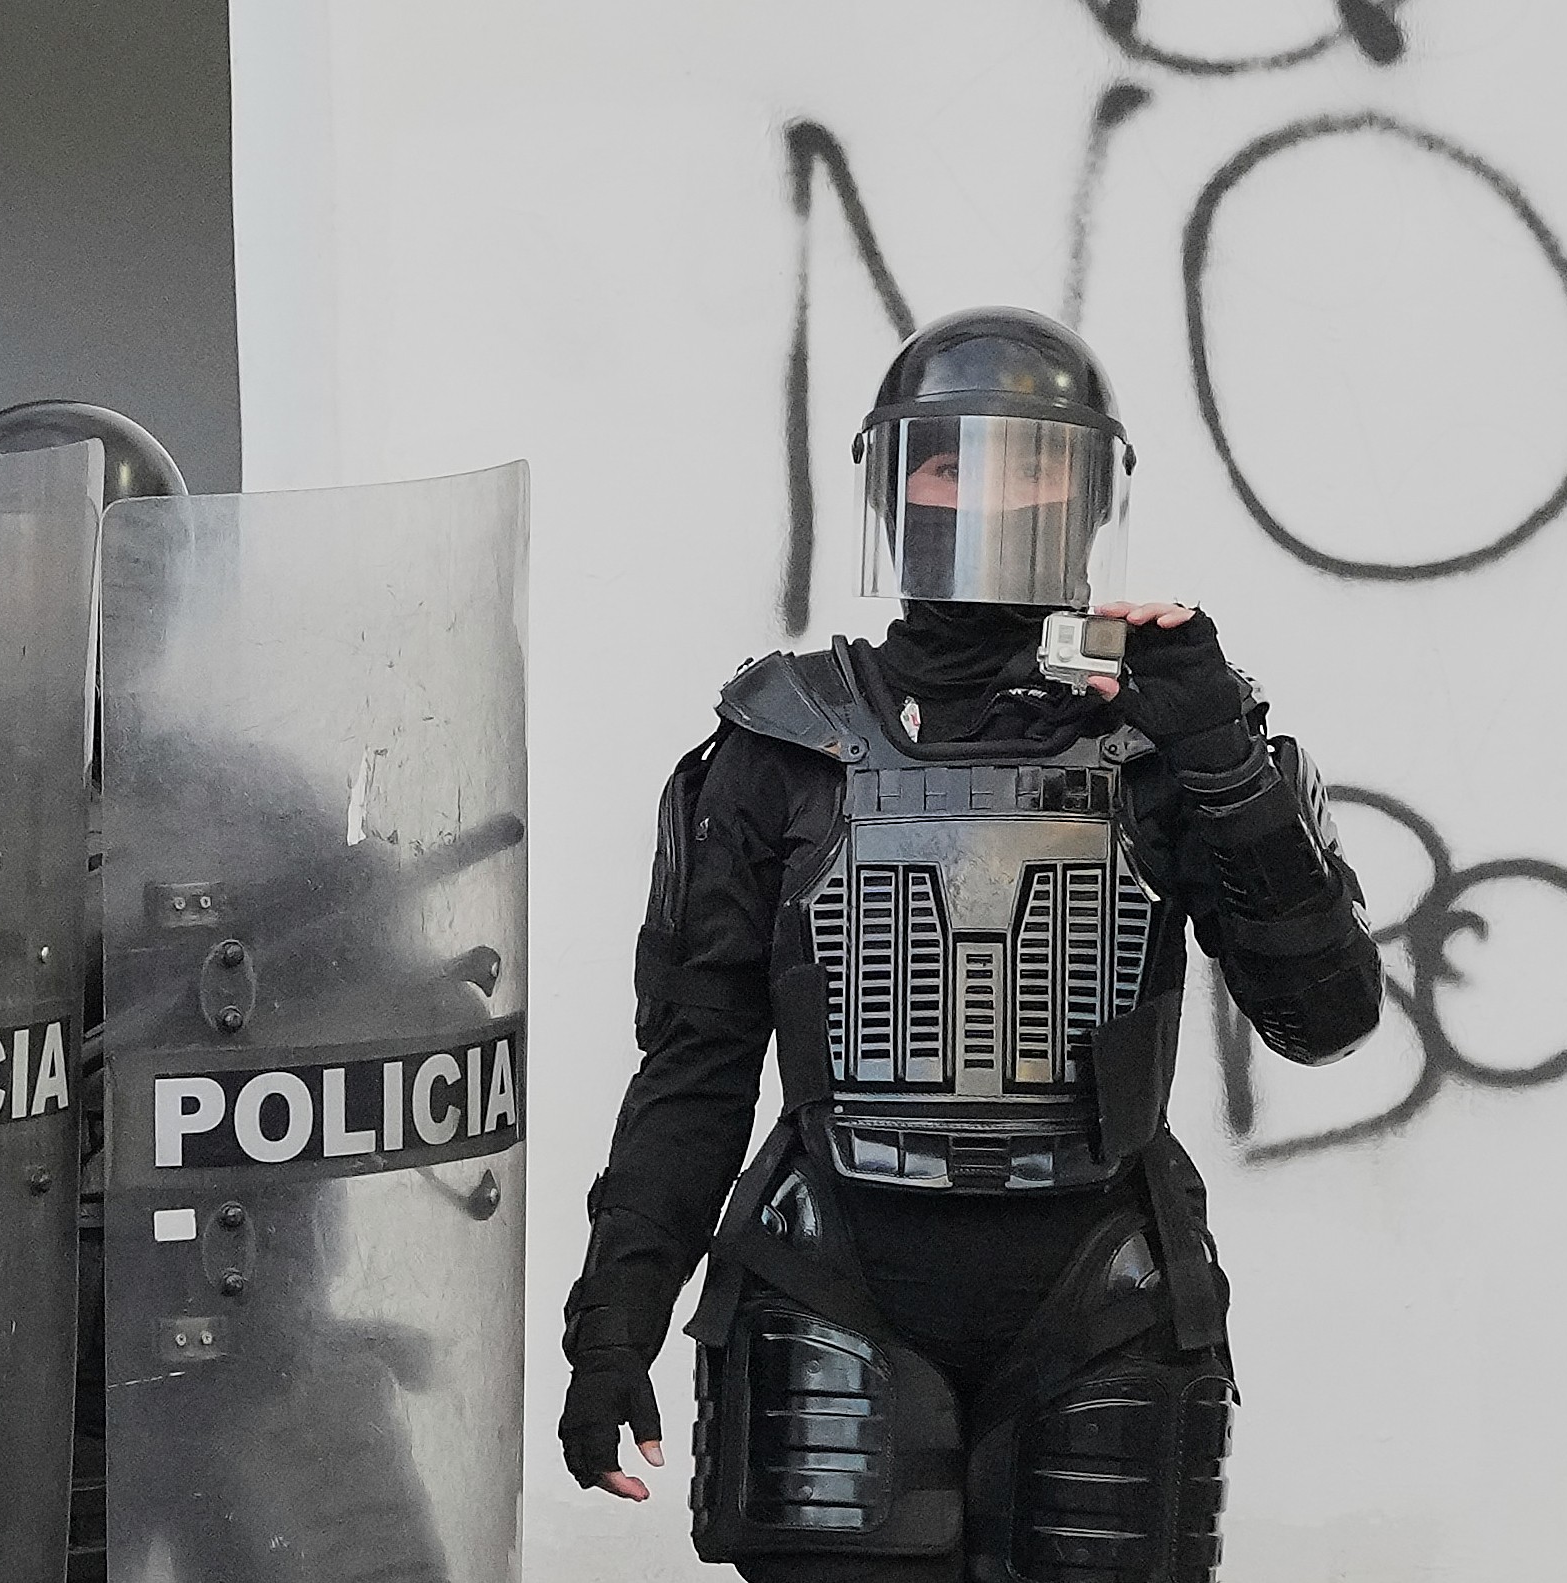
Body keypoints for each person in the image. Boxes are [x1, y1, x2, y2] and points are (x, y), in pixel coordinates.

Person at [560, 306, 1383, 1582]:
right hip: (827, 1268)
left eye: (1033, 461)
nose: (991, 490)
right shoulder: (780, 741)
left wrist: (1223, 762)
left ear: (1089, 490)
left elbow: (1324, 1015)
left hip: (1103, 1290)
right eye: (950, 459)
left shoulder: (1173, 733)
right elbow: (697, 1063)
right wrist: (615, 1318)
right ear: (896, 484)